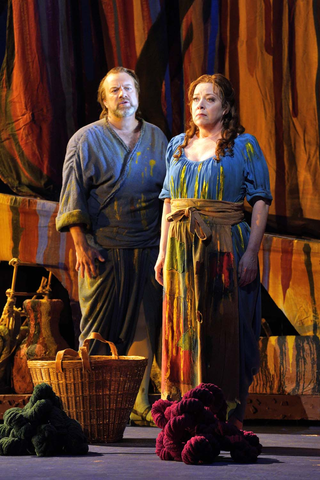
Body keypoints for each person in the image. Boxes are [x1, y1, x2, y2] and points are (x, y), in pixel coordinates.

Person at [154, 73, 272, 429]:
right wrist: (161, 253)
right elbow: (169, 202)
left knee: (224, 325)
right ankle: (185, 412)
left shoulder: (244, 146)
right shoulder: (176, 144)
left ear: (225, 107)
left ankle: (226, 414)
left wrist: (251, 253)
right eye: (195, 100)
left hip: (224, 245)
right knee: (184, 326)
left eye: (210, 99)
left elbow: (261, 201)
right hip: (180, 250)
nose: (200, 106)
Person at [56, 66, 168, 425]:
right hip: (102, 250)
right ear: (104, 100)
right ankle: (90, 404)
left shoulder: (157, 138)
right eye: (115, 90)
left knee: (146, 329)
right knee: (97, 330)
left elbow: (168, 195)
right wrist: (80, 245)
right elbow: (73, 195)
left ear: (138, 94)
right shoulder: (85, 139)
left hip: (149, 248)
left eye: (129, 88)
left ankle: (137, 405)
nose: (123, 95)